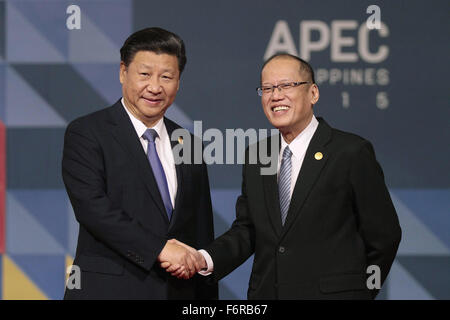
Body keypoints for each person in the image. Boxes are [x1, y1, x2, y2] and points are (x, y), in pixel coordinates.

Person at [164, 53, 402, 299]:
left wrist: (361, 293)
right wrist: (203, 258)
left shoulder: (350, 152)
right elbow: (248, 231)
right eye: (267, 88)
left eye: (287, 85)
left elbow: (384, 236)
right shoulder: (257, 156)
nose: (276, 95)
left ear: (313, 94)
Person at [62, 27, 218, 299]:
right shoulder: (88, 132)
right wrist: (159, 248)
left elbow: (201, 231)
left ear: (178, 81)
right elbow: (93, 208)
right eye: (145, 74)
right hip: (109, 291)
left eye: (167, 77)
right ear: (123, 72)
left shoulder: (188, 143)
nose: (155, 87)